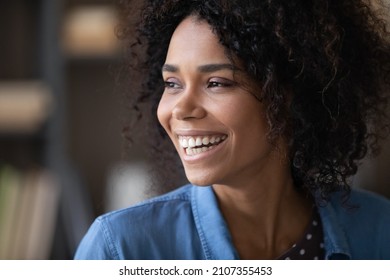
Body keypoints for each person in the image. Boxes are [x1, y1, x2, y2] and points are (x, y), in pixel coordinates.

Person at [75, 0, 390, 260]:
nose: (180, 109)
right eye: (172, 84)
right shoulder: (121, 249)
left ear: (287, 96)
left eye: (216, 83)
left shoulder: (379, 232)